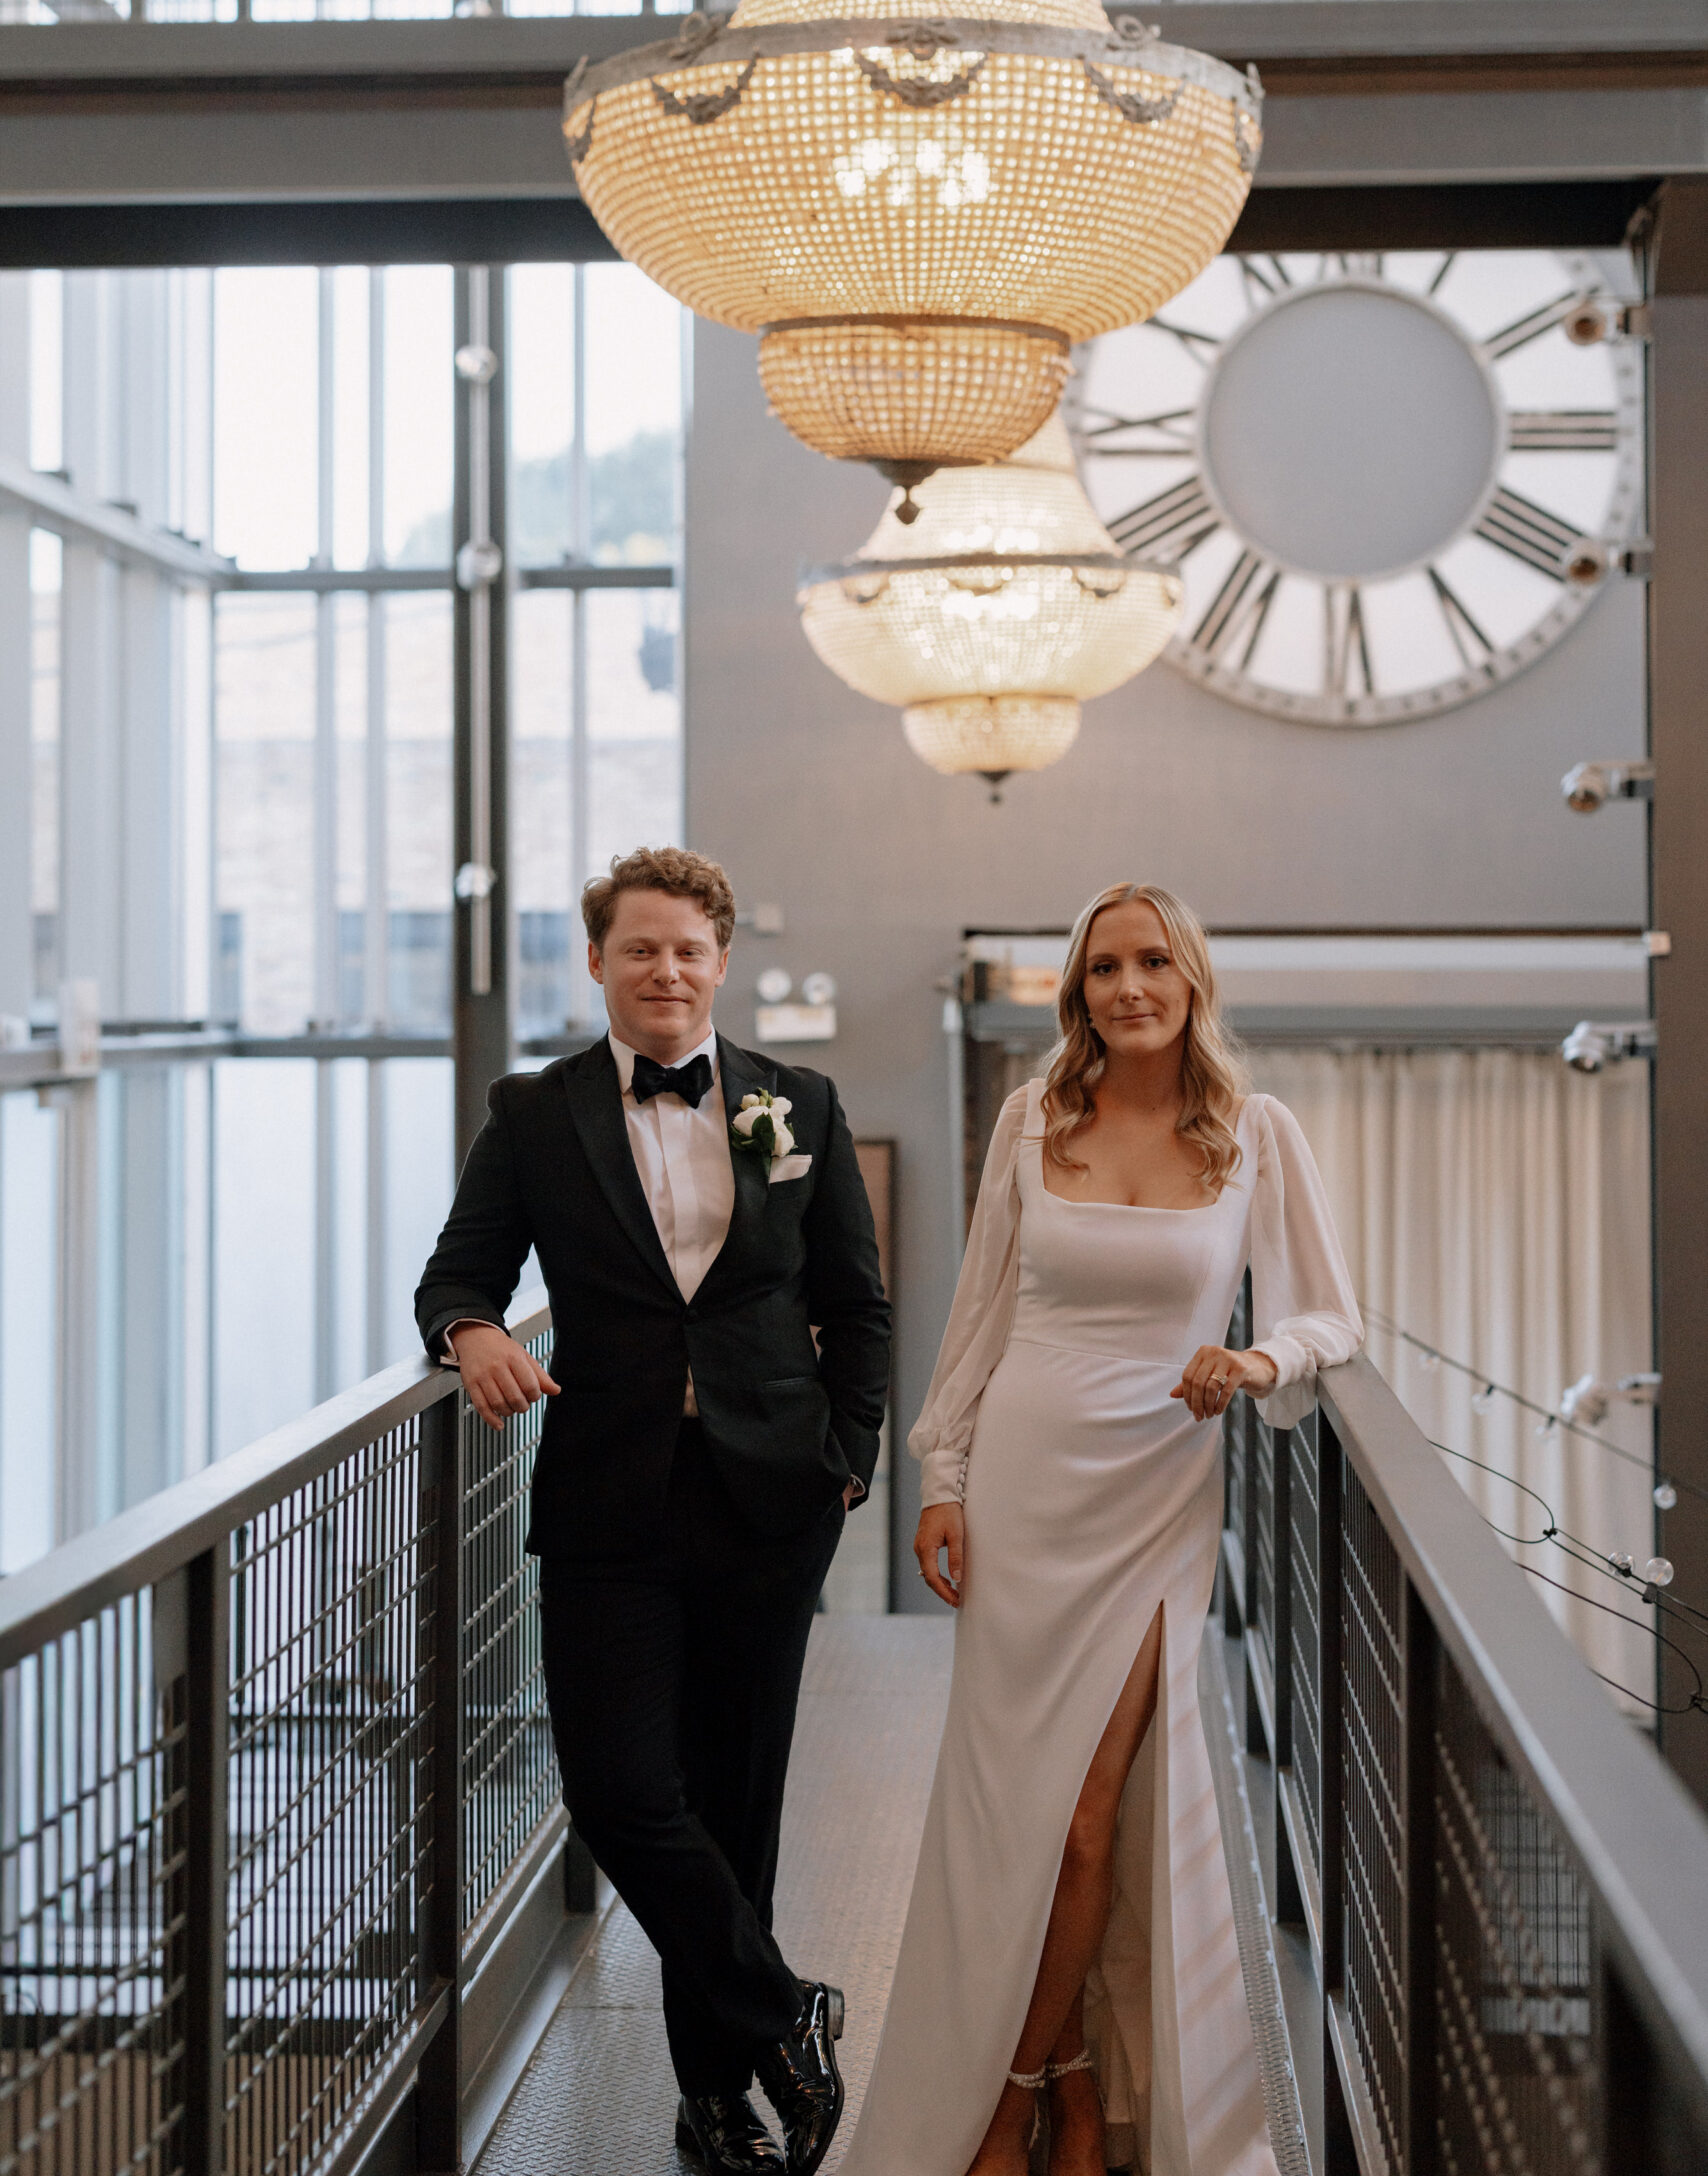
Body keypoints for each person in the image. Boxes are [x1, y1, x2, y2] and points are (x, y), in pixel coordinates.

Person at [841, 881, 1363, 2176]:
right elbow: (980, 1316)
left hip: (1156, 1496)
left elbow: (1336, 1317)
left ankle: (1031, 2085)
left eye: (1150, 962)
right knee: (1004, 1807)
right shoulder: (1034, 1116)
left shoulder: (1257, 1133)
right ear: (1079, 995)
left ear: (1190, 978)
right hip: (1027, 1482)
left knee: (1089, 1816)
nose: (1127, 987)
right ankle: (1063, 2088)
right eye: (1102, 970)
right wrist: (944, 1474)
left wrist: (1255, 1360)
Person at [414, 845, 891, 2176]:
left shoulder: (798, 1098)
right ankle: (787, 2014)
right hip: (609, 1502)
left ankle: (712, 2100)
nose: (665, 970)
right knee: (620, 1790)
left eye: (688, 949)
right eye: (640, 948)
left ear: (721, 960)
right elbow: (456, 1274)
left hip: (770, 1499)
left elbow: (855, 1301)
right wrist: (469, 1332)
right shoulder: (534, 1112)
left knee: (736, 1808)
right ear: (599, 961)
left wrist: (847, 1453)